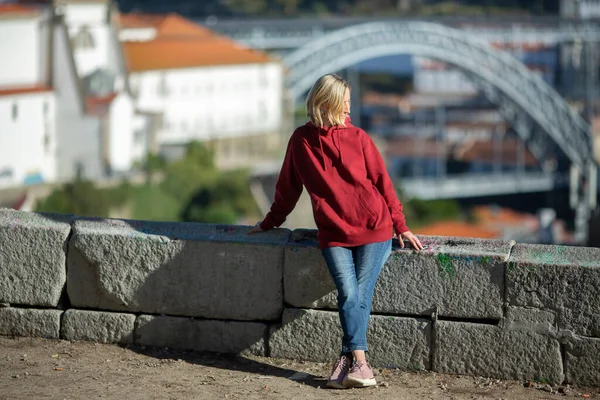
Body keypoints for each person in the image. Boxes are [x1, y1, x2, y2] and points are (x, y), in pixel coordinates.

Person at [248, 73, 423, 389]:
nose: (348, 110)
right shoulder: (300, 141)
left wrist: (400, 225)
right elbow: (288, 188)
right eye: (344, 104)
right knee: (348, 291)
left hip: (375, 228)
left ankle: (355, 361)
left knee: (357, 291)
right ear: (326, 104)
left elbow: (383, 182)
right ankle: (356, 363)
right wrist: (270, 222)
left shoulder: (359, 138)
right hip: (334, 232)